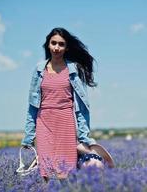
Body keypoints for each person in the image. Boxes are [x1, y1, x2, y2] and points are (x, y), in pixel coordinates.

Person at [21, 27, 98, 182]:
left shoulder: (74, 70)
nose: (56, 47)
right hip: (44, 123)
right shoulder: (39, 70)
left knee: (66, 171)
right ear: (48, 45)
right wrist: (29, 136)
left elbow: (82, 107)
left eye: (61, 44)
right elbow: (32, 105)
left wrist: (84, 136)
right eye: (53, 43)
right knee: (46, 171)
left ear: (66, 47)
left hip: (65, 123)